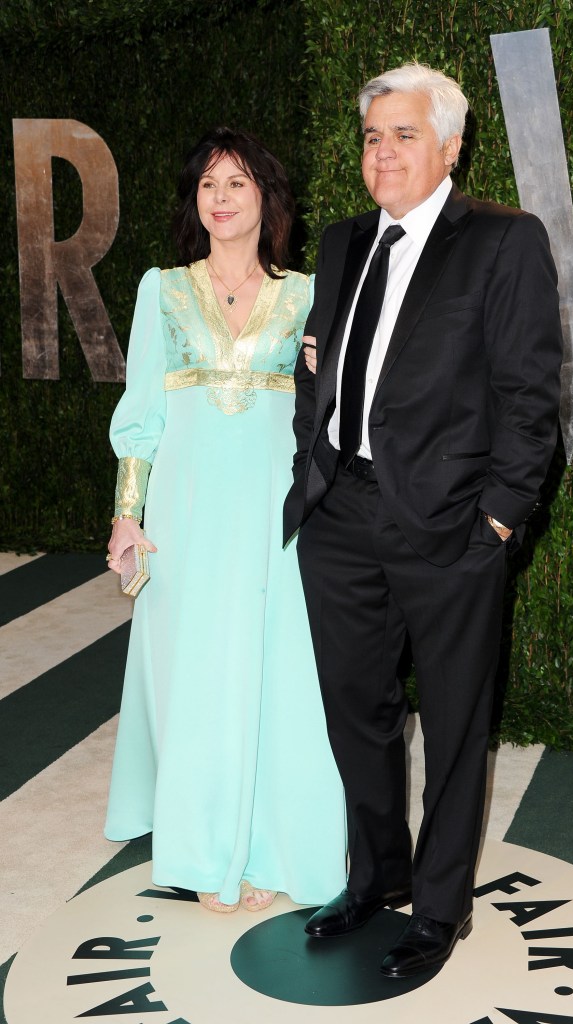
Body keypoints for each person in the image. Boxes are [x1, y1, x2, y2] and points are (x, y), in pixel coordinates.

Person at [284, 64, 563, 976]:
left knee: (453, 724)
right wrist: (310, 464)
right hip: (341, 515)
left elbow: (529, 398)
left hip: (451, 529)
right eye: (372, 137)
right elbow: (318, 369)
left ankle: (440, 910)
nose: (384, 152)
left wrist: (497, 521)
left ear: (450, 146)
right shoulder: (339, 242)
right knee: (355, 712)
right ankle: (378, 876)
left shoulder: (502, 241)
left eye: (405, 135)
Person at [105, 127, 346, 914]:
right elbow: (141, 412)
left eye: (238, 183)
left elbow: (332, 411)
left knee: (285, 672)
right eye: (209, 184)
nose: (222, 198)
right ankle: (210, 849)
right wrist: (126, 515)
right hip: (188, 506)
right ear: (194, 200)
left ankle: (278, 846)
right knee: (197, 672)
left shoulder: (308, 293)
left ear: (266, 197)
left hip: (278, 510)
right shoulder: (160, 289)